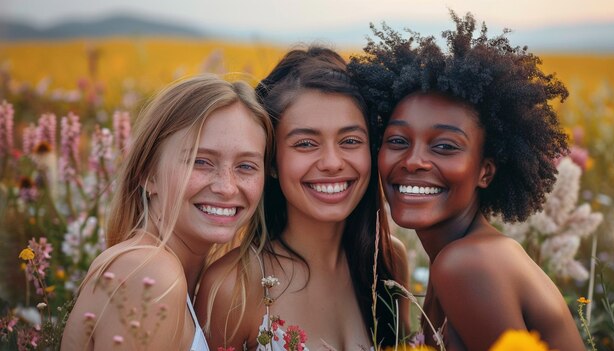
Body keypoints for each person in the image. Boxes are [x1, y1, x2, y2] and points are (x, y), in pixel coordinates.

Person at [348, 12, 586, 351]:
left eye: (445, 146)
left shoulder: (466, 265)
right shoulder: (468, 252)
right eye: (398, 141)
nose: (414, 161)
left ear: (485, 171)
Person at [195, 46, 409, 350]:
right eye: (306, 143)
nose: (333, 162)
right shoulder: (234, 286)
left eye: (350, 141)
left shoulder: (387, 260)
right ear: (271, 161)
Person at [61, 74, 273, 351]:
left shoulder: (163, 272)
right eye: (201, 161)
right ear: (147, 173)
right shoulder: (150, 272)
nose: (226, 187)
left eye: (246, 166)